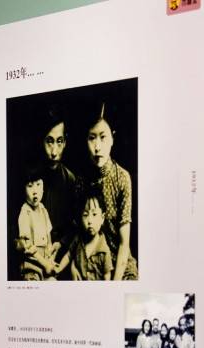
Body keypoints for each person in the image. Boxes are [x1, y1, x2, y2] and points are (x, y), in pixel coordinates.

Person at [85, 104, 138, 280]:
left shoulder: (122, 177)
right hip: (93, 264)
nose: (97, 147)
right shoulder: (82, 180)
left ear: (112, 139)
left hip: (120, 263)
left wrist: (114, 284)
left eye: (103, 137)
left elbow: (124, 243)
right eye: (92, 138)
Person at [38, 110, 80, 259]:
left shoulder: (71, 180)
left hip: (61, 254)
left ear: (65, 143)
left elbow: (74, 223)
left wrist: (61, 243)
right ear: (41, 141)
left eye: (59, 141)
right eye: (49, 141)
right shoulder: (30, 178)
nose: (54, 152)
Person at [55, 188, 113, 280]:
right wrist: (58, 269)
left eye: (94, 214)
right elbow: (69, 255)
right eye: (85, 215)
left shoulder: (104, 251)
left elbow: (107, 275)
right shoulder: (78, 239)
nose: (89, 221)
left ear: (102, 218)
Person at [16, 173, 59, 280]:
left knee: (53, 281)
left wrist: (50, 258)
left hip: (45, 261)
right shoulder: (25, 212)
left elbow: (48, 237)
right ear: (23, 190)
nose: (35, 191)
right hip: (32, 263)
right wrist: (45, 264)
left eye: (38, 185)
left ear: (43, 189)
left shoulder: (43, 209)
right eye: (30, 186)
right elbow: (28, 246)